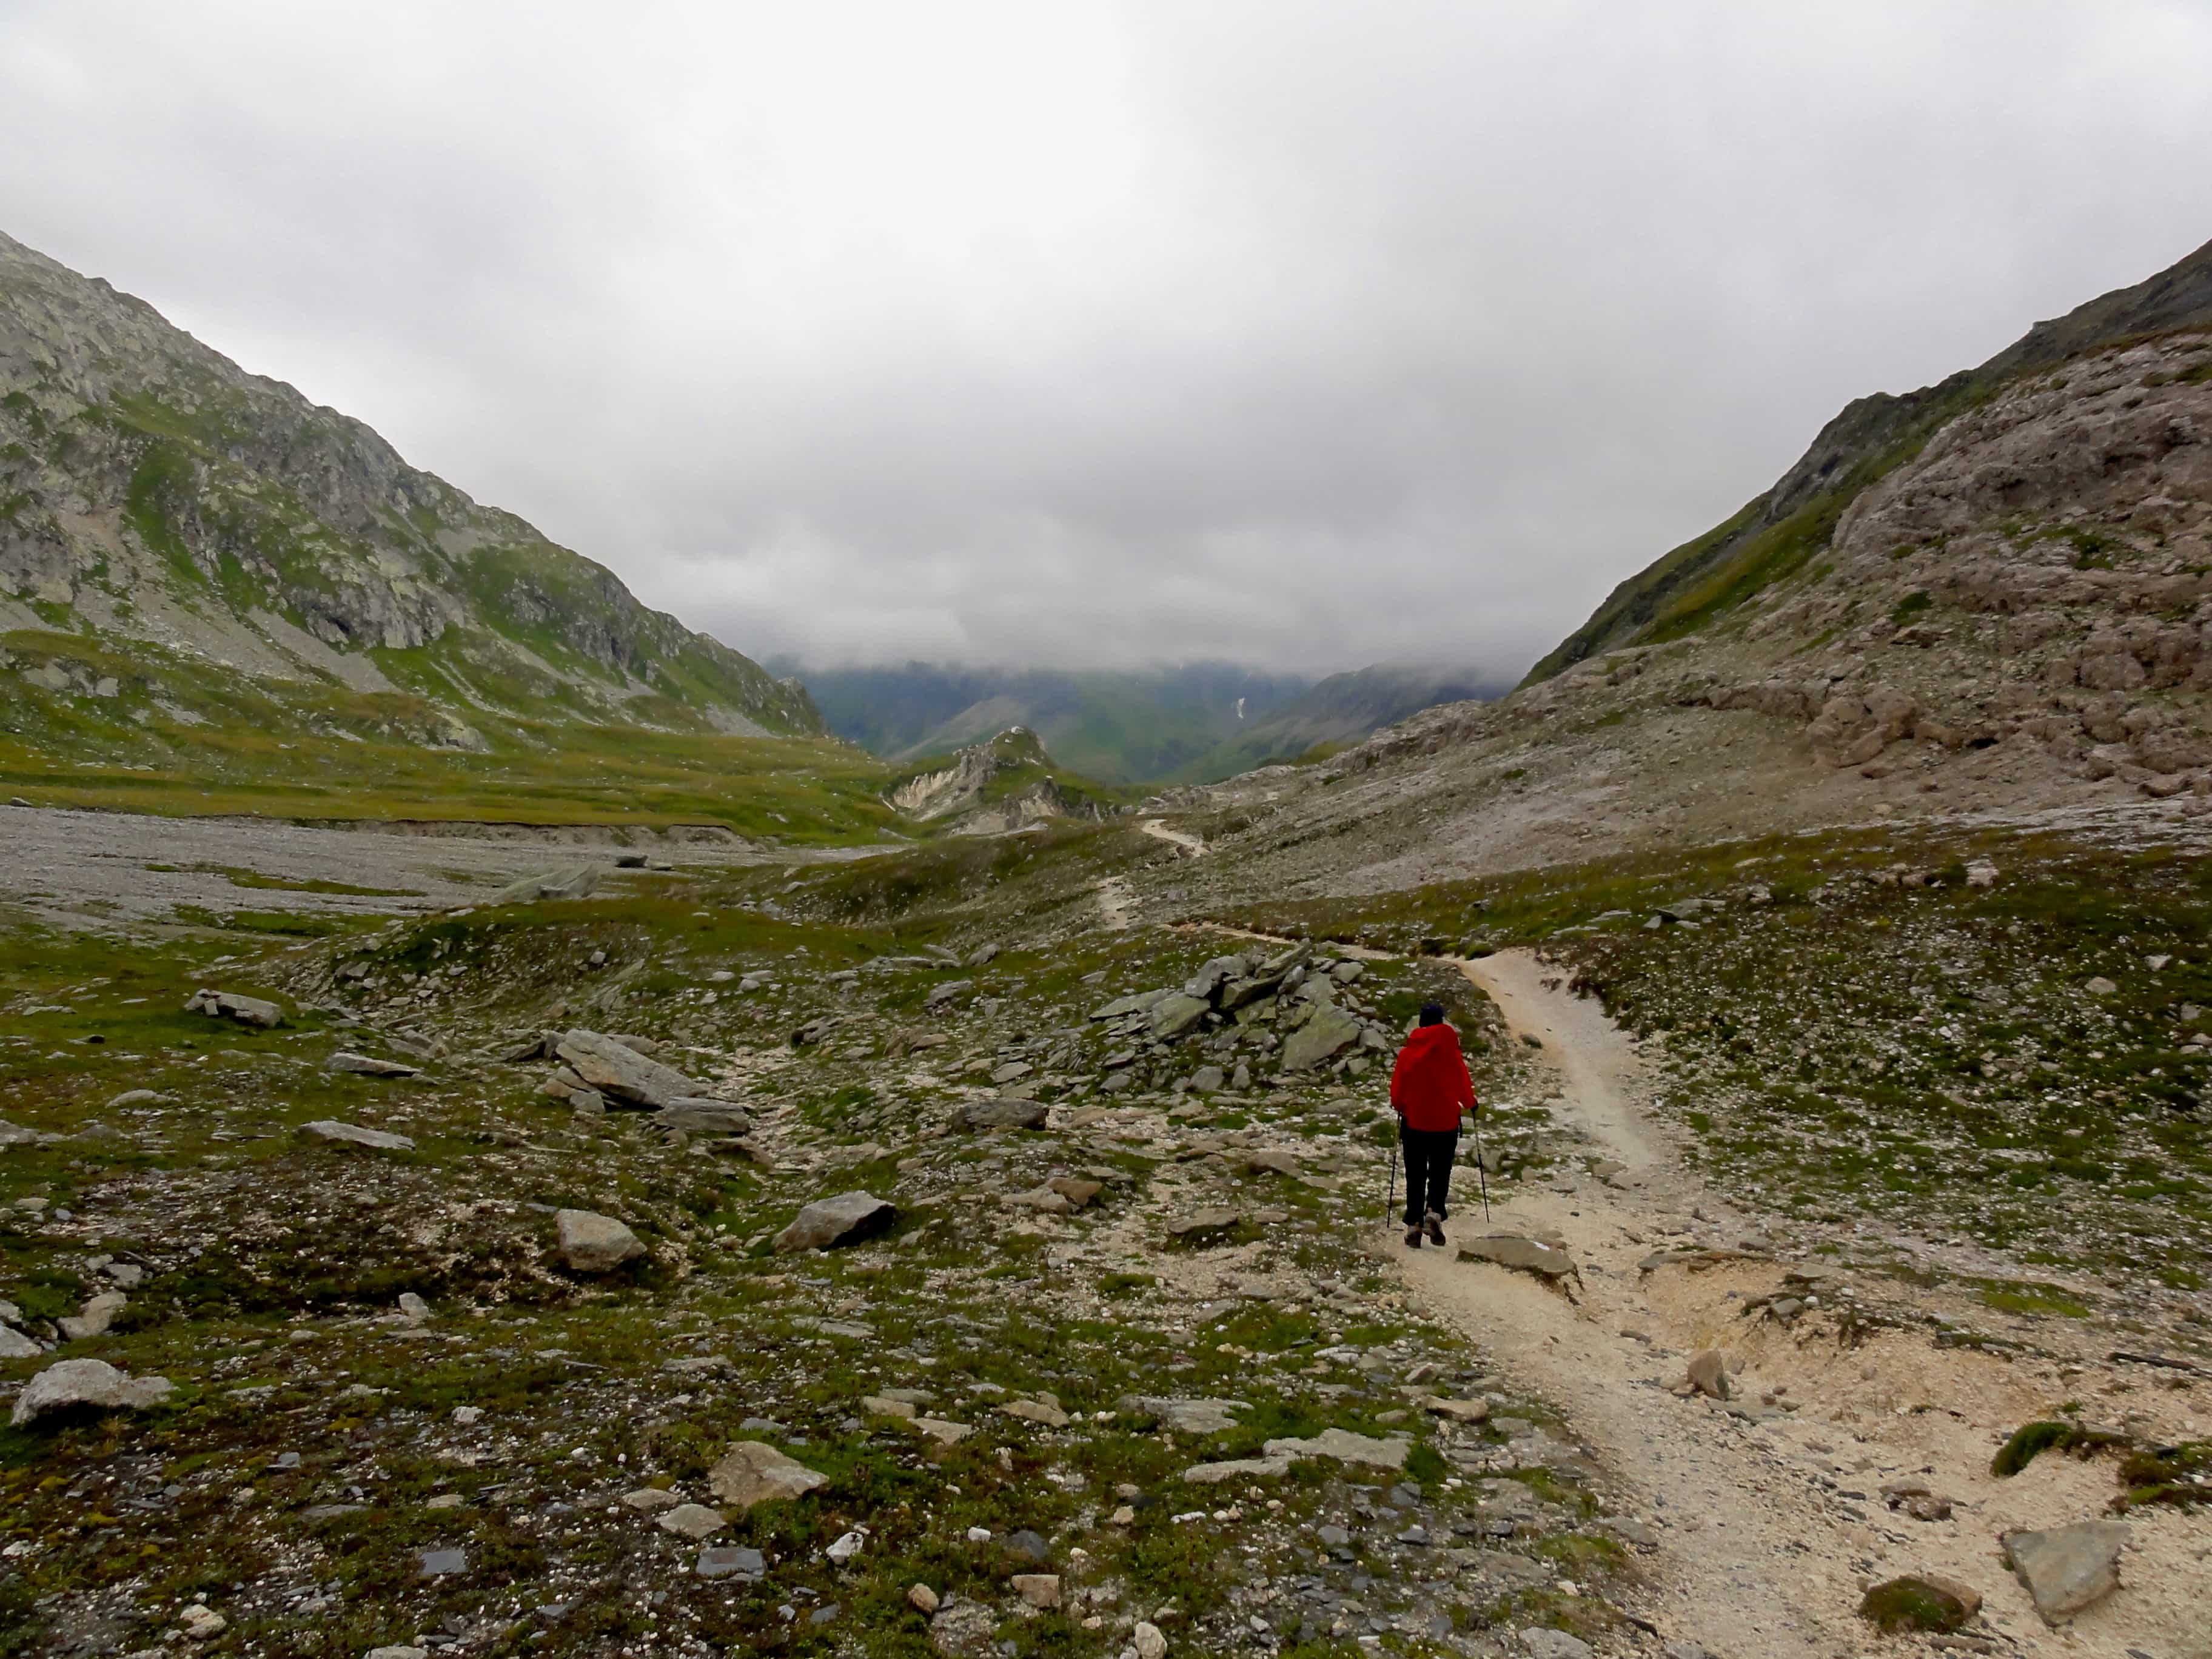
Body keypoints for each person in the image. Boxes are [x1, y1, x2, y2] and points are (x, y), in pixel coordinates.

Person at [1390, 1001, 1475, 1247]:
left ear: (1420, 1024)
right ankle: (1434, 1213)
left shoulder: (1407, 1054)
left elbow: (1397, 1095)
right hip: (1446, 1123)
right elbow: (1463, 1086)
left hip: (1415, 1122)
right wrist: (1471, 1103)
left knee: (1415, 1174)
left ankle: (1413, 1227)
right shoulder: (1452, 1053)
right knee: (1440, 1171)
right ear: (1441, 1022)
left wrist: (1401, 1105)